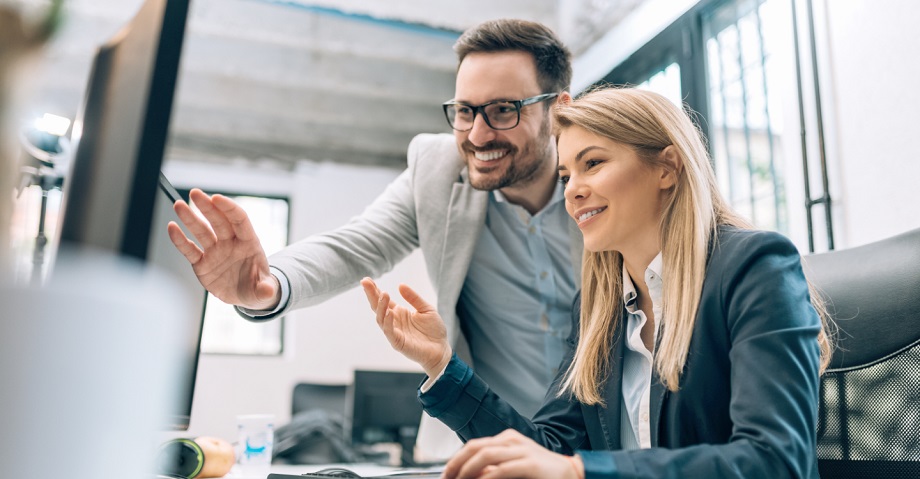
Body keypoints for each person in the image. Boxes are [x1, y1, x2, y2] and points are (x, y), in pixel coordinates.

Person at [360, 87, 833, 478]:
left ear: (667, 167)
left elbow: (775, 462)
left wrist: (579, 472)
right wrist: (443, 366)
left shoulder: (755, 268)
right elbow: (546, 449)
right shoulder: (598, 307)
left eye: (593, 164)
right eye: (567, 174)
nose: (573, 190)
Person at [166, 19, 581, 445]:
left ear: (559, 111)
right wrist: (268, 283)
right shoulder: (437, 170)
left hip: (607, 443)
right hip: (489, 440)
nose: (477, 134)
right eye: (464, 111)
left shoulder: (604, 181)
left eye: (503, 111)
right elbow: (354, 247)